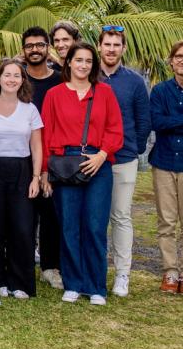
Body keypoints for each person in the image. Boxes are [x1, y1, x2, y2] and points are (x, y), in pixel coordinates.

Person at [41, 42, 123, 306]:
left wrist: (102, 155)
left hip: (98, 164)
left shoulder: (105, 93)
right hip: (65, 165)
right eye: (78, 60)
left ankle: (96, 285)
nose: (83, 65)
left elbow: (115, 129)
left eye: (88, 61)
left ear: (93, 65)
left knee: (95, 226)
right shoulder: (54, 94)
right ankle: (74, 283)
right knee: (69, 227)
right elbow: (46, 135)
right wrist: (45, 173)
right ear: (69, 63)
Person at [98, 26, 151, 297]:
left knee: (120, 216)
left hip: (123, 158)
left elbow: (143, 121)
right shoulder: (88, 75)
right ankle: (92, 271)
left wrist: (133, 148)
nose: (111, 49)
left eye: (116, 45)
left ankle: (122, 274)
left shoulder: (134, 81)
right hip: (92, 160)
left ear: (123, 49)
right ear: (99, 46)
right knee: (94, 218)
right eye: (107, 44)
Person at [0, 60, 43, 299]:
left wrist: (36, 177)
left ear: (22, 80)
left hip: (22, 170)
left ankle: (21, 282)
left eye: (16, 76)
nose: (11, 79)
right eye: (6, 75)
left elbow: (37, 146)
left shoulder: (29, 109)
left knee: (22, 227)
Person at [22, 27, 64, 289]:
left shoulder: (60, 81)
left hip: (52, 157)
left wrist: (48, 165)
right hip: (19, 156)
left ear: (48, 47)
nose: (35, 50)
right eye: (29, 46)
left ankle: (50, 267)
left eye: (40, 45)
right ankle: (23, 262)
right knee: (24, 214)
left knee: (51, 215)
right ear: (23, 49)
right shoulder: (15, 79)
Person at [149, 40, 183, 293]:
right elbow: (157, 122)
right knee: (166, 221)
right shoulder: (160, 91)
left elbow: (166, 121)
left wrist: (173, 121)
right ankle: (170, 273)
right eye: (178, 56)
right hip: (164, 163)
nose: (182, 60)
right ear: (171, 61)